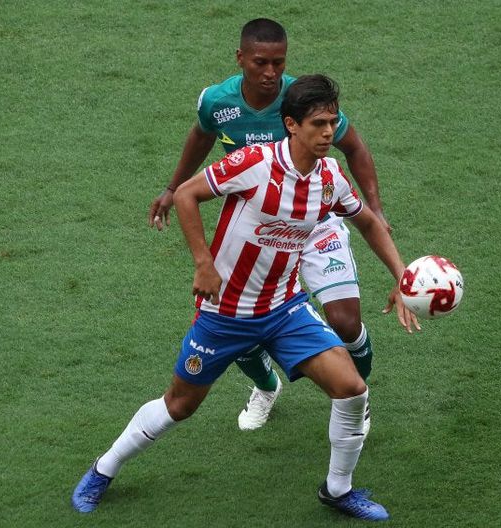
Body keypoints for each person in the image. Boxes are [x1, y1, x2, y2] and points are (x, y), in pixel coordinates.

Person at [73, 74, 418, 521]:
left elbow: (367, 221)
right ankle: (103, 469)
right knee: (179, 405)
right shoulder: (254, 162)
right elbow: (186, 195)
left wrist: (402, 277)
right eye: (318, 124)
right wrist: (203, 262)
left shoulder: (330, 177)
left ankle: (338, 489)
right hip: (225, 314)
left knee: (351, 389)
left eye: (333, 123)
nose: (328, 133)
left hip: (285, 310)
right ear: (291, 125)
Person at [148, 18, 388, 431]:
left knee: (346, 323)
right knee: (237, 316)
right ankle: (265, 387)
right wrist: (173, 187)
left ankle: (356, 399)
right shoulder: (216, 101)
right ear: (240, 58)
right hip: (259, 228)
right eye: (261, 62)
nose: (271, 72)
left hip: (314, 221)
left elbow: (354, 146)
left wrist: (375, 208)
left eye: (279, 62)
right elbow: (202, 136)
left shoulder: (302, 102)